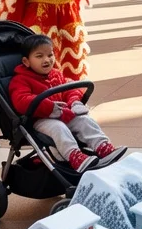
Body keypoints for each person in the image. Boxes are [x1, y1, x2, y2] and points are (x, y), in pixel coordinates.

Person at [9, 33, 117, 172]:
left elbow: (69, 90)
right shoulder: (21, 80)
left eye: (50, 55)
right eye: (39, 56)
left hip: (63, 113)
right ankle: (74, 156)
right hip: (40, 119)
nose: (46, 60)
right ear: (26, 62)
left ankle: (102, 146)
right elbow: (21, 101)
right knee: (58, 128)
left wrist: (74, 102)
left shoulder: (56, 74)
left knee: (83, 120)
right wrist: (49, 107)